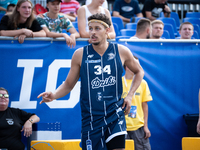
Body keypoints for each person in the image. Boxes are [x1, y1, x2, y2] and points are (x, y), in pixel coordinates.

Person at [38, 13, 144, 150]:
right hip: (91, 118)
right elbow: (68, 84)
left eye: (97, 28)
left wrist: (130, 96)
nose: (92, 32)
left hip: (115, 114)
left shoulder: (121, 51)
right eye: (90, 28)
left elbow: (139, 71)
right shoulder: (80, 54)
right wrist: (54, 94)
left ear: (107, 30)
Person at [122, 56, 152, 150]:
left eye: (139, 64)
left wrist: (145, 126)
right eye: (136, 64)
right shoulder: (118, 82)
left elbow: (145, 106)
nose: (139, 67)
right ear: (127, 66)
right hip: (122, 127)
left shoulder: (143, 83)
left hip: (138, 127)